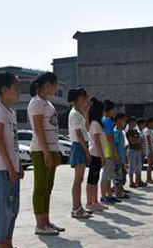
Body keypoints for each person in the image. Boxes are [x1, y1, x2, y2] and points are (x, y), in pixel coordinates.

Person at [0, 72, 30, 248]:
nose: (18, 91)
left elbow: (12, 143)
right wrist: (9, 167)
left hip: (12, 167)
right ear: (4, 90)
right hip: (2, 169)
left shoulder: (11, 112)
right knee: (4, 209)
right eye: (16, 87)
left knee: (14, 208)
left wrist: (18, 164)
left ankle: (9, 246)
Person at [28, 72, 65, 236]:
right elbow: (38, 128)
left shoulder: (47, 103)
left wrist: (54, 151)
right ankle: (40, 225)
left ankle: (46, 221)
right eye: (55, 84)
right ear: (47, 85)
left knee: (48, 187)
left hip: (52, 148)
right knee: (40, 186)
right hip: (40, 150)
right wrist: (46, 152)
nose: (56, 88)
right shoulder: (36, 102)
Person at [67, 87, 92, 219]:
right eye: (83, 98)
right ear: (77, 99)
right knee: (78, 179)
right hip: (79, 146)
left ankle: (78, 207)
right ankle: (76, 208)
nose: (85, 100)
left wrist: (86, 112)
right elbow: (79, 135)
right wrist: (87, 152)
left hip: (81, 145)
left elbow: (86, 129)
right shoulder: (75, 114)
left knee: (80, 179)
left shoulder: (79, 113)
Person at [87, 99, 109, 212]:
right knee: (92, 179)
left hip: (97, 154)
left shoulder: (96, 123)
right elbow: (97, 141)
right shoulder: (95, 124)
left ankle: (94, 201)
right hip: (96, 154)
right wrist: (102, 157)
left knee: (94, 179)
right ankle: (90, 202)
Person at [100, 100, 119, 203]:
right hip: (108, 151)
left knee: (108, 175)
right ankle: (103, 196)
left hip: (106, 151)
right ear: (110, 110)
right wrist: (113, 153)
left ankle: (109, 194)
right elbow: (109, 138)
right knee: (106, 175)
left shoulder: (103, 120)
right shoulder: (107, 121)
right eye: (113, 110)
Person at [113, 112, 129, 199]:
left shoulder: (120, 132)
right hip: (117, 158)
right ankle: (118, 192)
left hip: (122, 157)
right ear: (118, 120)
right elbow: (115, 145)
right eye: (123, 120)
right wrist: (117, 157)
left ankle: (120, 190)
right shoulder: (116, 132)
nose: (124, 122)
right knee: (118, 176)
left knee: (122, 175)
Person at [126, 116, 143, 188]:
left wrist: (136, 140)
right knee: (131, 167)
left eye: (134, 122)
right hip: (132, 150)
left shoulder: (135, 131)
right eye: (132, 122)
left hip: (138, 150)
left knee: (138, 166)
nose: (134, 124)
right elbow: (132, 141)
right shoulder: (128, 132)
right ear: (129, 123)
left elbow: (139, 140)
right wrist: (137, 140)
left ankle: (137, 181)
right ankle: (131, 182)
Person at [144, 117, 153, 184]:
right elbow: (149, 141)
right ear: (150, 123)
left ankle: (149, 178)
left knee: (151, 164)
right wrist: (151, 151)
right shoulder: (147, 131)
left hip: (151, 148)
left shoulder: (150, 130)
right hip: (149, 149)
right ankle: (148, 178)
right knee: (150, 164)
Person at [136, 119, 149, 187]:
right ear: (140, 124)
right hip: (140, 152)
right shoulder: (138, 132)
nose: (145, 125)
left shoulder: (142, 132)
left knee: (140, 167)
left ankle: (139, 180)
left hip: (142, 152)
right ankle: (138, 181)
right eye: (144, 123)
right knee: (139, 167)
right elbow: (139, 143)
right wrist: (141, 152)